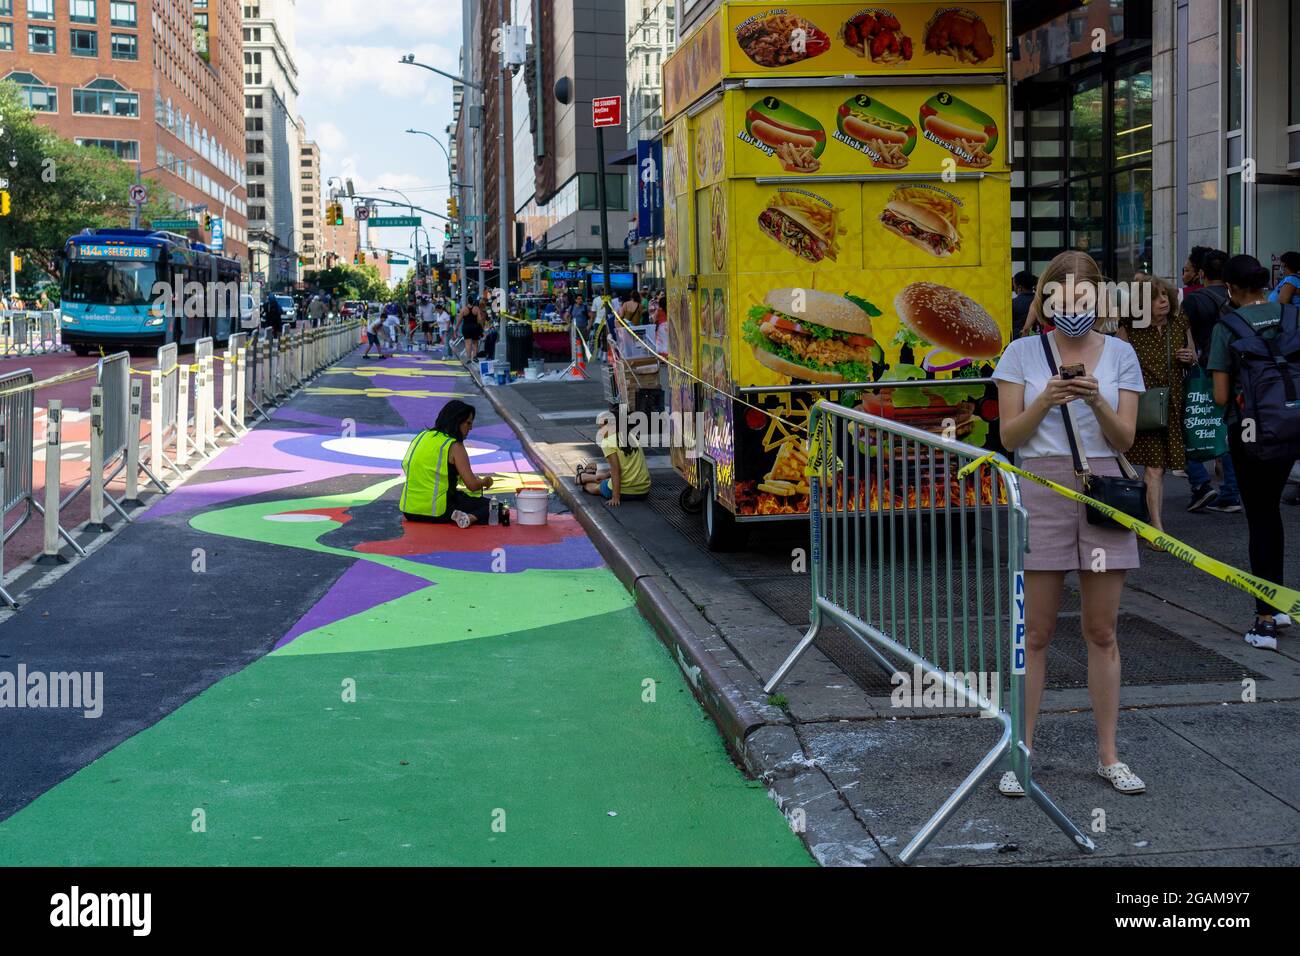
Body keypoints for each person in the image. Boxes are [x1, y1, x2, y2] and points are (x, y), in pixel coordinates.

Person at [991, 250, 1148, 797]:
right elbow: (1010, 438)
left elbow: (1126, 439)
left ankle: (1108, 755)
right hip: (1040, 486)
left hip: (1103, 487)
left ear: (1099, 298)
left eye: (1085, 297)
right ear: (1046, 298)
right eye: (1062, 298)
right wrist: (1048, 400)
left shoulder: (1122, 354)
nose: (1074, 308)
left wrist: (1097, 399)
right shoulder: (1021, 353)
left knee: (1102, 632)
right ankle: (1020, 755)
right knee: (1035, 634)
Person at [1208, 254, 1297, 650]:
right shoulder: (1293, 315)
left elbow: (1222, 395)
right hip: (1292, 426)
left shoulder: (1228, 326)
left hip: (1250, 433)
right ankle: (1279, 604)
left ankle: (1265, 619)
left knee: (1261, 518)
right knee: (1273, 516)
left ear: (1230, 287)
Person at [1116, 276, 1197, 542]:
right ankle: (1148, 524)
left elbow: (1193, 356)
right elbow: (1116, 365)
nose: (1163, 300)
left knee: (1156, 468)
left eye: (1165, 295)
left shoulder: (1180, 323)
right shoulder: (1129, 328)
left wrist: (1189, 357)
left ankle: (1154, 525)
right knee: (1135, 465)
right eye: (1155, 296)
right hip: (1139, 402)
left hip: (1171, 404)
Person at [1181, 249, 1242, 513]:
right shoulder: (1237, 299)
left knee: (1192, 425)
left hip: (1202, 370)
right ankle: (1231, 492)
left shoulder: (1193, 300)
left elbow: (1182, 334)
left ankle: (1202, 484)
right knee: (1226, 429)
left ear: (1202, 273)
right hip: (1234, 370)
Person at [399, 399, 494, 528]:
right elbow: (472, 485)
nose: (470, 428)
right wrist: (485, 481)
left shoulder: (421, 437)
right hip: (439, 511)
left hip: (410, 511)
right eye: (468, 423)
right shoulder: (454, 446)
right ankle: (469, 518)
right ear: (457, 421)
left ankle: (459, 514)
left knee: (458, 496)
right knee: (494, 506)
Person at [579, 413, 652, 506]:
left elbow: (615, 469)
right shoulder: (630, 435)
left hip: (625, 491)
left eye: (602, 428)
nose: (600, 432)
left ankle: (582, 478)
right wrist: (607, 474)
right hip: (643, 490)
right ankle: (590, 476)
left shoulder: (608, 442)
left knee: (593, 488)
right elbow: (626, 463)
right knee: (604, 479)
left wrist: (615, 497)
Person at [1012, 270, 1036, 337]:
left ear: (1019, 288)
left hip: (1017, 339)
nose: (1014, 289)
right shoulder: (1039, 301)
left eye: (1014, 286)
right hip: (1037, 339)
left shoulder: (1013, 304)